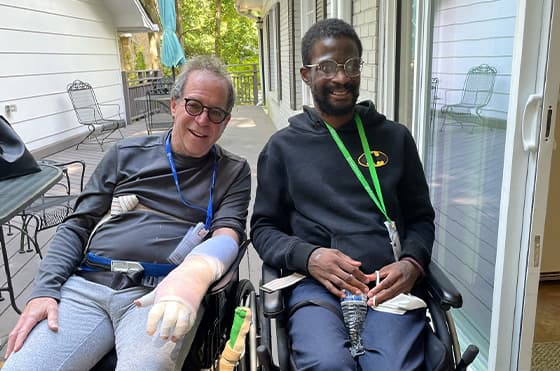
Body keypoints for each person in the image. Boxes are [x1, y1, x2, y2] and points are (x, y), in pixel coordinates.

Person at [3, 55, 251, 370]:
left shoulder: (233, 171)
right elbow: (77, 225)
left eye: (216, 113)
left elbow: (228, 232)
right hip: (89, 284)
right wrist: (45, 290)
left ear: (226, 121)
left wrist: (193, 275)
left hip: (164, 293)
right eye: (193, 106)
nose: (203, 120)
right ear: (174, 105)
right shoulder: (125, 154)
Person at [251, 18, 437, 370]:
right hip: (316, 286)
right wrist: (308, 256)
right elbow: (262, 228)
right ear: (306, 75)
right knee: (327, 364)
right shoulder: (283, 148)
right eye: (327, 67)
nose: (341, 77)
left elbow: (421, 218)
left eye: (351, 65)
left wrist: (412, 262)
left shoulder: (395, 138)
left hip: (386, 284)